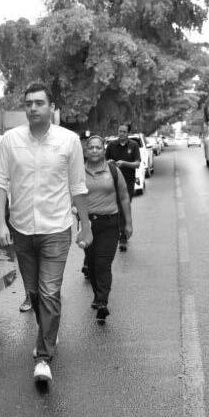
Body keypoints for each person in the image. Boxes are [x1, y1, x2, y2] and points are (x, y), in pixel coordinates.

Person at [0, 81, 92, 383]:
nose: (33, 108)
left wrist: (85, 225)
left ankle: (44, 357)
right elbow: (0, 181)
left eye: (39, 103)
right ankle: (48, 330)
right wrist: (0, 223)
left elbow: (78, 186)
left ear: (52, 108)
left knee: (49, 291)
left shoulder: (69, 141)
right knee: (34, 292)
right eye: (28, 103)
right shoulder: (11, 140)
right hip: (22, 229)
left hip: (56, 228)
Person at [82, 135, 133, 322]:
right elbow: (72, 195)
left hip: (110, 224)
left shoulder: (113, 170)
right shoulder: (78, 172)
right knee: (92, 264)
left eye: (98, 147)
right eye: (91, 147)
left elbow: (124, 196)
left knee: (103, 264)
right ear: (86, 151)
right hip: (87, 225)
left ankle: (102, 302)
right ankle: (98, 295)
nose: (95, 150)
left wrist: (128, 223)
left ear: (103, 150)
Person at [105, 123, 141, 252]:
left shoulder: (134, 145)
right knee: (115, 208)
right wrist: (109, 163)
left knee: (124, 207)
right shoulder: (111, 145)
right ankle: (115, 233)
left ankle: (123, 236)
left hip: (128, 182)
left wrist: (124, 163)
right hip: (112, 181)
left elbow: (137, 164)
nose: (121, 134)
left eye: (124, 132)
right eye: (120, 131)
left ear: (128, 133)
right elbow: (103, 162)